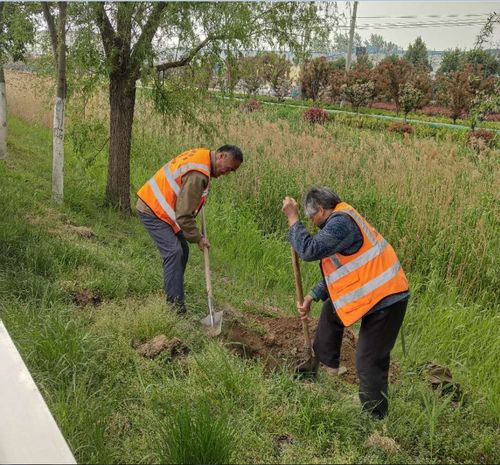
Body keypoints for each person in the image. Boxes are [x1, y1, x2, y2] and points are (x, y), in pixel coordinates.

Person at [282, 186, 410, 419]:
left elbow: (309, 250)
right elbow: (343, 271)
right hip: (369, 290)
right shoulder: (339, 220)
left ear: (320, 210)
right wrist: (312, 295)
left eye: (311, 218)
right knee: (333, 309)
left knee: (369, 357)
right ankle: (324, 364)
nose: (312, 223)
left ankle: (374, 416)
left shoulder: (341, 223)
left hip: (387, 298)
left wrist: (293, 218)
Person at [136, 145, 243, 314]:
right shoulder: (199, 173)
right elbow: (184, 215)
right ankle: (175, 309)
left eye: (232, 171)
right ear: (221, 156)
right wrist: (198, 238)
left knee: (182, 251)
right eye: (229, 168)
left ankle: (173, 290)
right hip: (153, 209)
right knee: (174, 252)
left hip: (164, 210)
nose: (227, 173)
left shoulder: (203, 156)